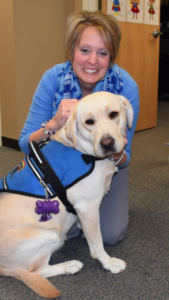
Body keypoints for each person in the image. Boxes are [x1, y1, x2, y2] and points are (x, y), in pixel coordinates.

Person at [19, 10, 139, 245]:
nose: (92, 61)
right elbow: (26, 144)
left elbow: (126, 158)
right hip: (61, 167)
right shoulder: (52, 79)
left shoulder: (126, 88)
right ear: (72, 49)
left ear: (111, 56)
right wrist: (53, 125)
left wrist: (116, 150)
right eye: (85, 50)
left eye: (102, 53)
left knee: (110, 235)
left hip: (105, 165)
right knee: (66, 230)